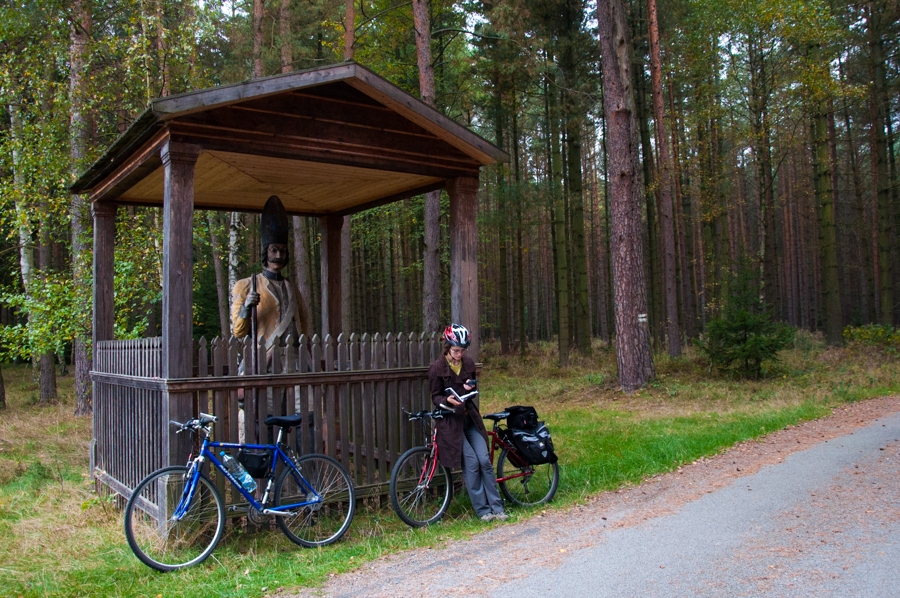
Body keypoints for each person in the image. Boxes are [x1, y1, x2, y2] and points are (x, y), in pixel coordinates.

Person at [428, 324, 508, 522]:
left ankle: (498, 508)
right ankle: (483, 511)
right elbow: (435, 396)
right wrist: (445, 400)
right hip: (450, 424)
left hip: (469, 418)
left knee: (484, 461)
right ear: (447, 348)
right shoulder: (437, 368)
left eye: (462, 351)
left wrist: (467, 387)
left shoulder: (468, 363)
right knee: (471, 463)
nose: (459, 354)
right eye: (456, 350)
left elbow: (469, 391)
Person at [231, 195, 312, 369]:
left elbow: (304, 322)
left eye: (282, 251)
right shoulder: (245, 285)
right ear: (265, 252)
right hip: (265, 361)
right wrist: (246, 306)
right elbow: (238, 331)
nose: (278, 256)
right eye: (274, 250)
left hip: (294, 361)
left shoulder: (292, 289)